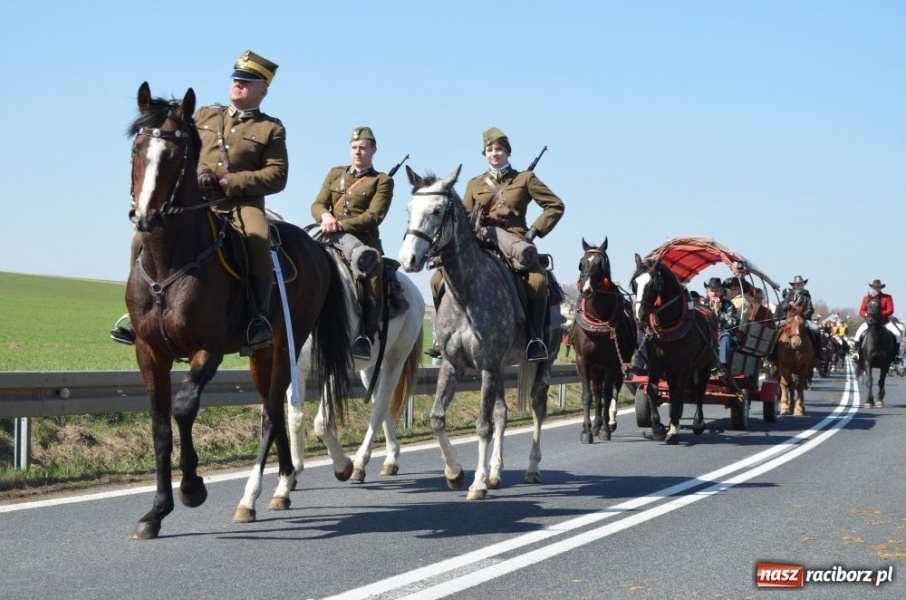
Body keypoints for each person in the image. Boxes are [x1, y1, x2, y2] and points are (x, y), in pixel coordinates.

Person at [111, 50, 287, 353]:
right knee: (140, 239)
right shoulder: (204, 115)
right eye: (236, 79)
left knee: (258, 239)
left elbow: (277, 175)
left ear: (263, 90)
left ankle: (257, 319)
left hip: (238, 205)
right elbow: (179, 151)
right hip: (196, 202)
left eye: (247, 81)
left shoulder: (270, 128)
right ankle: (136, 315)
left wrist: (230, 182)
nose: (238, 84)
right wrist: (202, 170)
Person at [427, 127, 564, 362]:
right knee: (437, 280)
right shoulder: (474, 184)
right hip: (480, 241)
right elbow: (464, 217)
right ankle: (442, 336)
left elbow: (555, 206)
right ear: (485, 154)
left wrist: (533, 232)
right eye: (489, 149)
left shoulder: (525, 179)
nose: (494, 153)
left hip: (515, 241)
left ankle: (534, 338)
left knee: (538, 281)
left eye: (499, 149)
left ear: (507, 152)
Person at [312, 126, 392, 360]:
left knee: (374, 268)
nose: (358, 152)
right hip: (328, 235)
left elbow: (374, 216)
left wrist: (340, 225)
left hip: (363, 241)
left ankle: (366, 335)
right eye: (354, 147)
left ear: (373, 150)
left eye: (363, 148)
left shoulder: (381, 180)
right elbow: (317, 204)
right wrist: (325, 216)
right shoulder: (335, 173)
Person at [853, 279, 900, 359]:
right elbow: (861, 310)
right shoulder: (866, 298)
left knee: (897, 335)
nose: (876, 289)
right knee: (857, 335)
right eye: (875, 287)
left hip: (884, 322)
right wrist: (866, 314)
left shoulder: (887, 297)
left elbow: (891, 310)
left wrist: (880, 314)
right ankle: (857, 353)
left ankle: (895, 356)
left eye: (878, 287)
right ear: (872, 287)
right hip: (870, 322)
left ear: (881, 288)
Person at [706, 277, 740, 371]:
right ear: (708, 292)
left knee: (725, 336)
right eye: (711, 290)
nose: (714, 293)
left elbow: (732, 323)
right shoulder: (703, 304)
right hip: (705, 332)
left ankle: (722, 366)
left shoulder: (728, 304)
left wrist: (718, 312)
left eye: (716, 290)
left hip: (722, 333)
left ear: (721, 291)